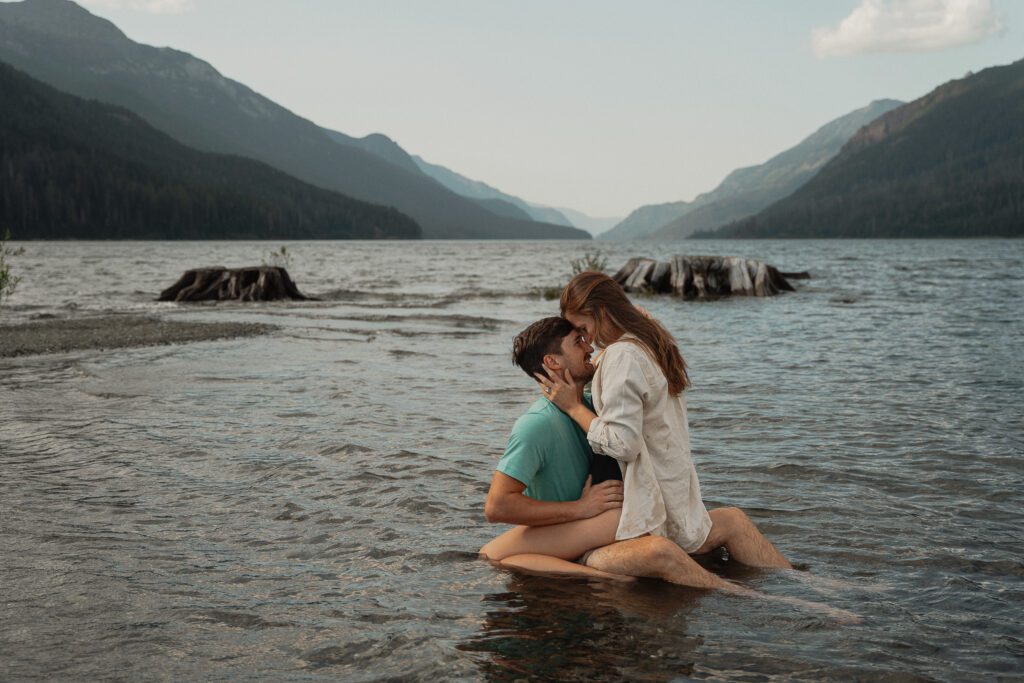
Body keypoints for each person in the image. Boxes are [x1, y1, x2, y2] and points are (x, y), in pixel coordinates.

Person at [482, 273, 792, 590]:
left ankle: (794, 588)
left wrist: (576, 408)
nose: (590, 346)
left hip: (611, 518)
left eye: (585, 332)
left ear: (600, 312)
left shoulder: (593, 390)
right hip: (606, 516)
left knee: (491, 555)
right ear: (552, 361)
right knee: (497, 555)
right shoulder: (543, 420)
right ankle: (783, 595)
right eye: (579, 339)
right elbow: (496, 506)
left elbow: (614, 375)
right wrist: (580, 508)